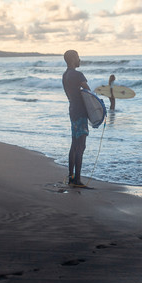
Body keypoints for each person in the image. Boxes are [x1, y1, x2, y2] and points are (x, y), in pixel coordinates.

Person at [62, 50, 90, 186]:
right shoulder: (78, 75)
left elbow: (70, 94)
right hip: (80, 112)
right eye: (78, 57)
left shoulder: (65, 75)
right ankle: (77, 180)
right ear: (73, 59)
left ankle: (71, 177)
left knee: (74, 145)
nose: (80, 60)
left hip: (72, 110)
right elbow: (88, 92)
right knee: (81, 146)